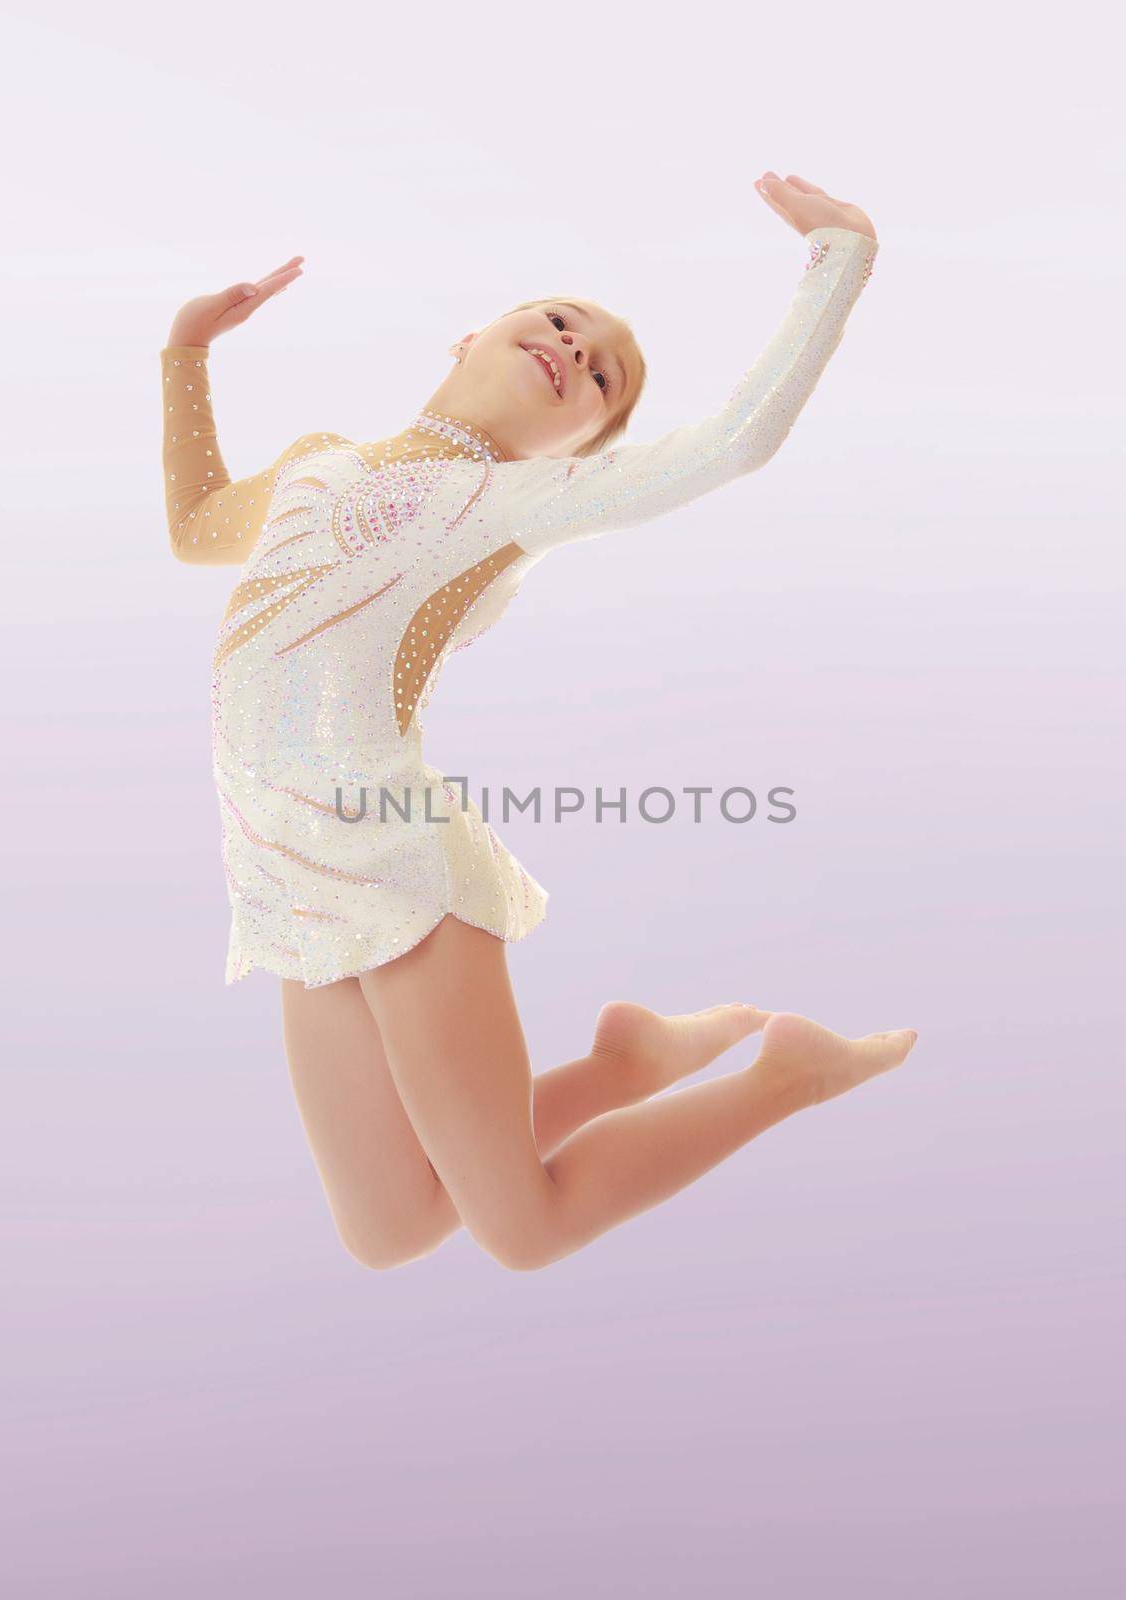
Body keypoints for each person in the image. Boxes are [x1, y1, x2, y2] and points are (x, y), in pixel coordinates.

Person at [160, 170, 917, 1273]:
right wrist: (187, 352)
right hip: (282, 886)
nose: (576, 345)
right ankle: (626, 1062)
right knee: (391, 1228)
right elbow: (192, 527)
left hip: (391, 863)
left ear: (580, 452)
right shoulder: (317, 465)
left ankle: (785, 1074)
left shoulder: (506, 509)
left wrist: (839, 256)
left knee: (526, 1227)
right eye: (560, 318)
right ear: (472, 334)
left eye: (600, 374)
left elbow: (734, 444)